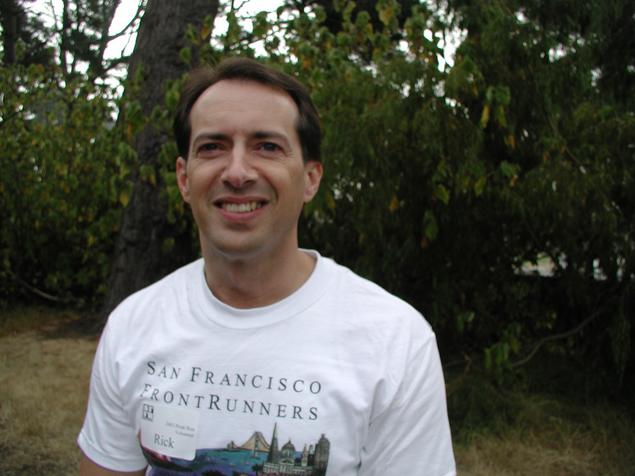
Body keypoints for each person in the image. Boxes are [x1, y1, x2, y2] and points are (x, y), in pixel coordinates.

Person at [78, 57, 456, 476]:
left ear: (311, 179)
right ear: (184, 178)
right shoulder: (132, 326)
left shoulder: (396, 342)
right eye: (212, 147)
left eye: (268, 147)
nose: (237, 172)